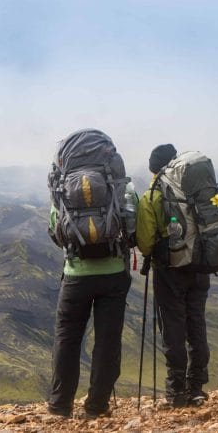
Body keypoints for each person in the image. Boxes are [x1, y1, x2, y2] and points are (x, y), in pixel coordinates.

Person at [46, 131, 135, 418]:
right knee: (107, 342)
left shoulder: (62, 189)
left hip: (76, 275)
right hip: (113, 275)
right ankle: (97, 406)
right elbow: (132, 227)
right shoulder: (120, 187)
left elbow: (56, 229)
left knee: (67, 340)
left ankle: (60, 406)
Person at [136, 144, 211, 408]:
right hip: (201, 267)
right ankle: (197, 387)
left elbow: (145, 243)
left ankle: (177, 391)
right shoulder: (195, 188)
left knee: (174, 330)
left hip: (170, 271)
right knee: (196, 324)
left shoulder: (152, 196)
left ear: (153, 168)